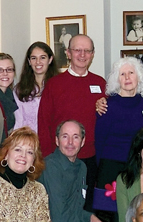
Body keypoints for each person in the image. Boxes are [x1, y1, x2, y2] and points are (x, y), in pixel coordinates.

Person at [38, 35, 107, 209]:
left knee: (87, 207)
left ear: (92, 54)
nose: (82, 55)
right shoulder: (54, 84)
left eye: (87, 51)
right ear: (68, 53)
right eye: (77, 50)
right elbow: (44, 122)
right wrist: (48, 159)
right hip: (60, 160)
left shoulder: (101, 84)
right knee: (61, 208)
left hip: (90, 159)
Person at [38, 120, 121, 222]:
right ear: (57, 140)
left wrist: (90, 217)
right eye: (65, 136)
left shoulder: (81, 167)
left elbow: (74, 207)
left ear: (82, 142)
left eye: (75, 137)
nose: (70, 142)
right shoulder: (51, 167)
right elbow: (59, 219)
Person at [93, 57, 143, 222]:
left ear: (139, 77)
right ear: (116, 79)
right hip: (111, 168)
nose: (127, 77)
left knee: (134, 214)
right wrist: (101, 171)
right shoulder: (107, 105)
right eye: (122, 74)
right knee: (109, 220)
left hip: (136, 167)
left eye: (131, 73)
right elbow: (99, 140)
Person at [14, 42, 58, 133]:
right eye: (34, 58)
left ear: (50, 60)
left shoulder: (59, 86)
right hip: (28, 142)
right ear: (29, 61)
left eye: (43, 57)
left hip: (53, 141)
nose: (38, 62)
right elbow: (19, 122)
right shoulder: (19, 90)